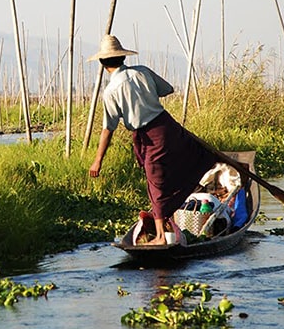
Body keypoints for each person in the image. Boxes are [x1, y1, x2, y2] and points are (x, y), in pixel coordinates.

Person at [87, 34, 217, 245]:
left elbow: (108, 129)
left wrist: (98, 160)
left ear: (102, 63)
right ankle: (164, 223)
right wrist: (145, 95)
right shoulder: (142, 72)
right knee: (178, 167)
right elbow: (168, 89)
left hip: (150, 135)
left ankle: (159, 237)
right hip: (168, 126)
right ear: (122, 58)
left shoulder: (111, 91)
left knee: (156, 183)